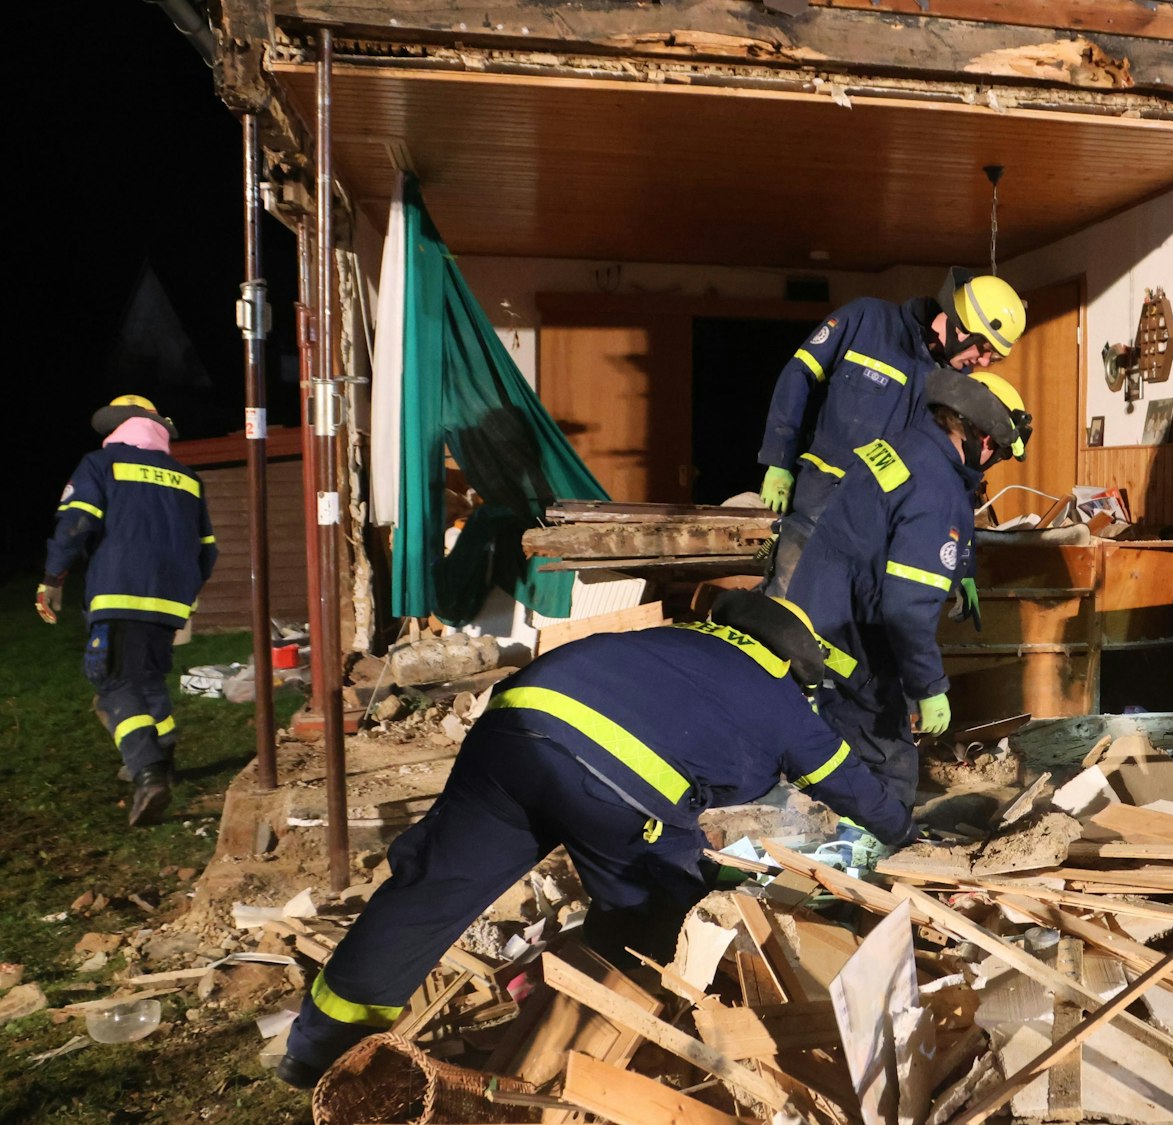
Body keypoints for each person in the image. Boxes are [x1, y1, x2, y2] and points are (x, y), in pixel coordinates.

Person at [276, 590, 912, 1089]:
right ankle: (581, 1072)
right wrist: (906, 834)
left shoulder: (668, 640)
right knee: (648, 928)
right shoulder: (780, 698)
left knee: (426, 894)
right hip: (617, 789)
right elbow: (853, 789)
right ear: (792, 663)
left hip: (509, 739)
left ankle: (317, 1053)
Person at [786, 370, 1030, 807]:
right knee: (888, 765)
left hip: (818, 610)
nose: (992, 462)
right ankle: (869, 842)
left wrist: (962, 570)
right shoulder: (935, 488)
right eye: (997, 452)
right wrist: (929, 687)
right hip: (849, 635)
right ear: (984, 437)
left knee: (834, 744)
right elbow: (907, 608)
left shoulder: (907, 446)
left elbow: (939, 514)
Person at [759, 268, 1026, 595]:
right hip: (817, 513)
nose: (983, 362)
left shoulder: (956, 387)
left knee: (848, 625)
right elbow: (799, 374)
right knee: (787, 611)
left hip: (880, 538)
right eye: (983, 349)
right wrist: (779, 460)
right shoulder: (868, 321)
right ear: (960, 325)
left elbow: (957, 474)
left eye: (992, 357)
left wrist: (963, 561)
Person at [40, 395, 216, 826]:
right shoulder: (188, 478)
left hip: (119, 592)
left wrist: (53, 577)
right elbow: (207, 551)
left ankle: (147, 772)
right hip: (170, 601)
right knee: (147, 678)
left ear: (117, 429)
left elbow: (77, 522)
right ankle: (163, 755)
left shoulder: (101, 464)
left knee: (114, 683)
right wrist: (184, 591)